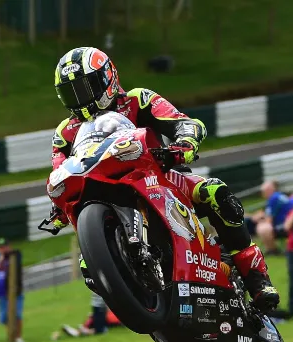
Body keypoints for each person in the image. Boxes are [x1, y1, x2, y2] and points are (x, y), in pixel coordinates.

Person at [46, 47, 278, 310]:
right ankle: (150, 310)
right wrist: (58, 206)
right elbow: (60, 170)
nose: (80, 99)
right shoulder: (65, 132)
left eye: (86, 88)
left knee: (217, 194)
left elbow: (182, 122)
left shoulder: (137, 100)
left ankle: (255, 277)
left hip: (159, 175)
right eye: (72, 93)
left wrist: (185, 142)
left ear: (107, 79)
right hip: (100, 191)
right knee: (89, 265)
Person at [246, 181, 293, 255]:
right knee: (262, 225)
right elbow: (269, 213)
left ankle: (272, 250)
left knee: (263, 227)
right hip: (289, 222)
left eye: (263, 191)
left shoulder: (273, 198)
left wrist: (258, 219)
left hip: (284, 225)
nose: (262, 194)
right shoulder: (277, 196)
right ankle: (271, 249)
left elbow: (269, 220)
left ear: (269, 190)